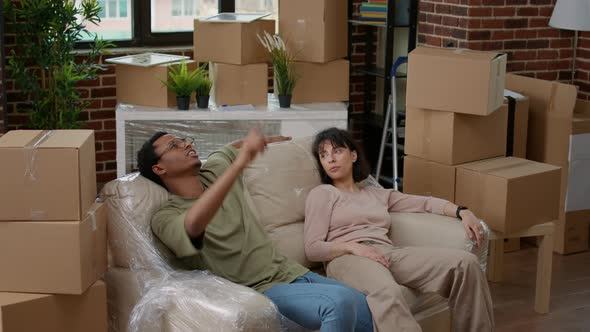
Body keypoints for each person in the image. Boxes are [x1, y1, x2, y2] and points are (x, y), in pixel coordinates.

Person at [137, 129, 374, 332]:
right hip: (257, 292)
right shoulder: (166, 217)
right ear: (159, 168)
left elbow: (230, 147)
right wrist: (239, 164)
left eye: (185, 140)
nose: (186, 144)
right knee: (339, 303)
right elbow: (193, 225)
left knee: (363, 303)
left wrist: (269, 139)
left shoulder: (215, 168)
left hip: (289, 271)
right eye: (174, 146)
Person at [304, 127, 495, 332]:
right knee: (388, 292)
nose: (330, 159)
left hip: (387, 252)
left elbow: (425, 203)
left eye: (337, 151)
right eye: (324, 155)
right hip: (348, 258)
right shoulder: (322, 194)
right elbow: (312, 248)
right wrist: (353, 247)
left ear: (353, 155)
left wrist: (462, 211)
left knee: (466, 264)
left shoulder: (377, 194)